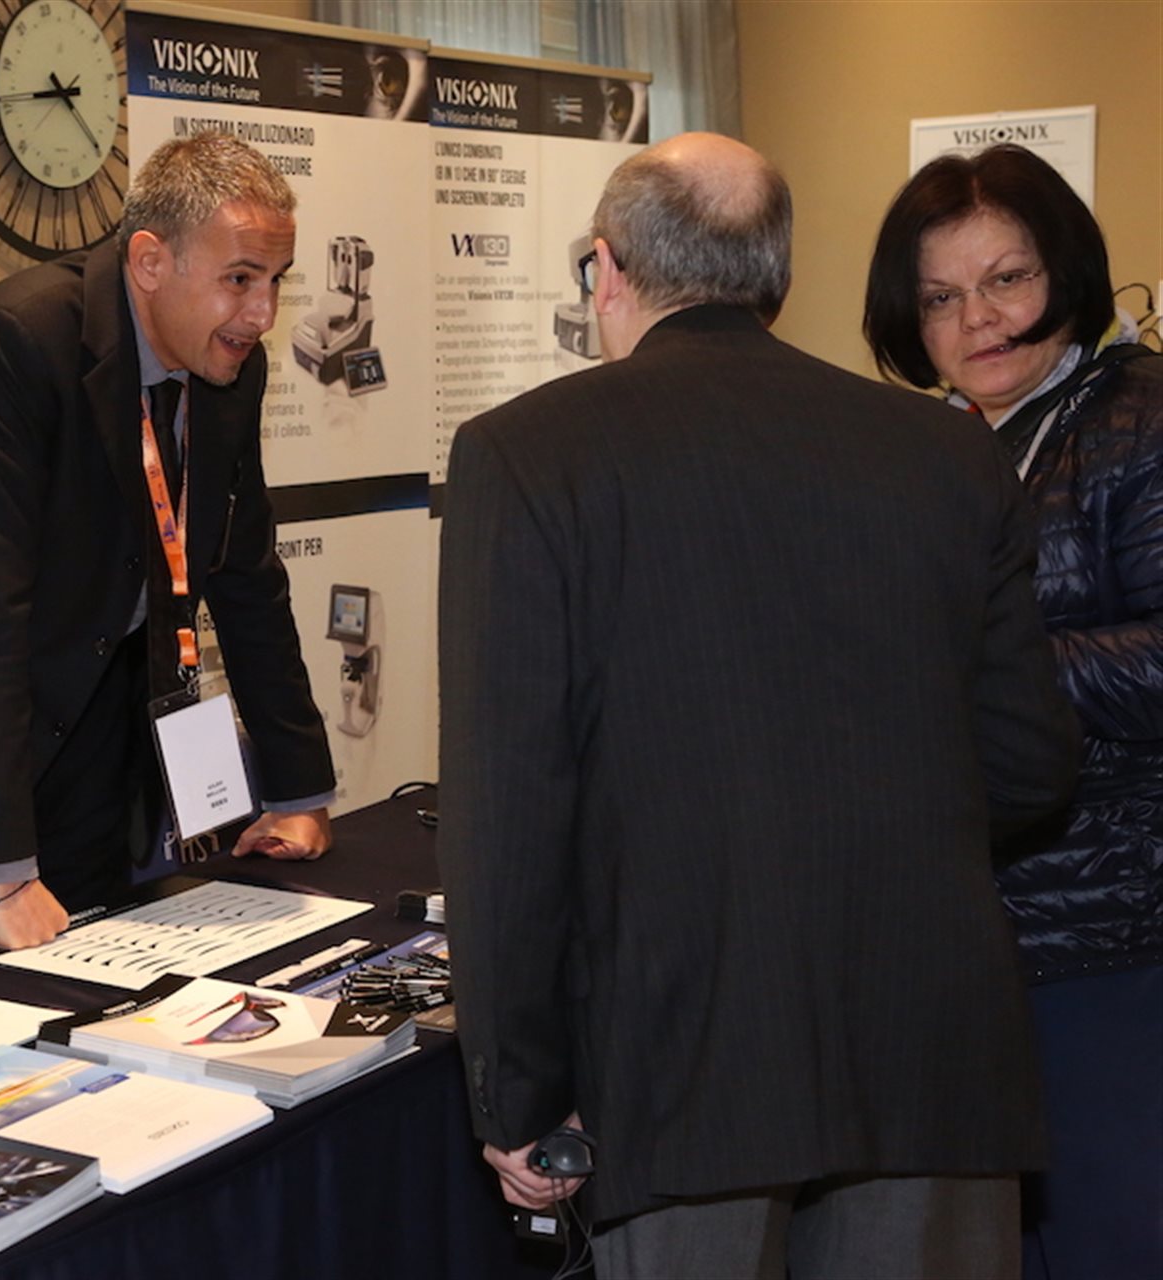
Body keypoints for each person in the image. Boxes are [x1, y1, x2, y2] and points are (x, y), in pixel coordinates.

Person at [437, 133, 1080, 1278]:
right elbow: (1030, 762)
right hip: (928, 1045)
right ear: (774, 277)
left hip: (682, 1068)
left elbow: (509, 813)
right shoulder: (949, 450)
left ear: (607, 270)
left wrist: (519, 1093)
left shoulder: (527, 454)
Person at [0, 133, 335, 952]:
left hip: (91, 731)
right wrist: (1, 871)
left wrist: (297, 791)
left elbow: (246, 574)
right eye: (239, 279)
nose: (262, 314)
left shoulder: (232, 368)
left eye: (276, 281)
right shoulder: (19, 340)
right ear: (150, 261)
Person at [864, 143, 1163, 1280]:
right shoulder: (935, 446)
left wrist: (991, 670)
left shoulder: (1140, 416)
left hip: (1113, 927)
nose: (977, 320)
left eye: (1007, 279)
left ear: (1066, 272)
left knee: (1107, 1236)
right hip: (973, 931)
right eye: (941, 297)